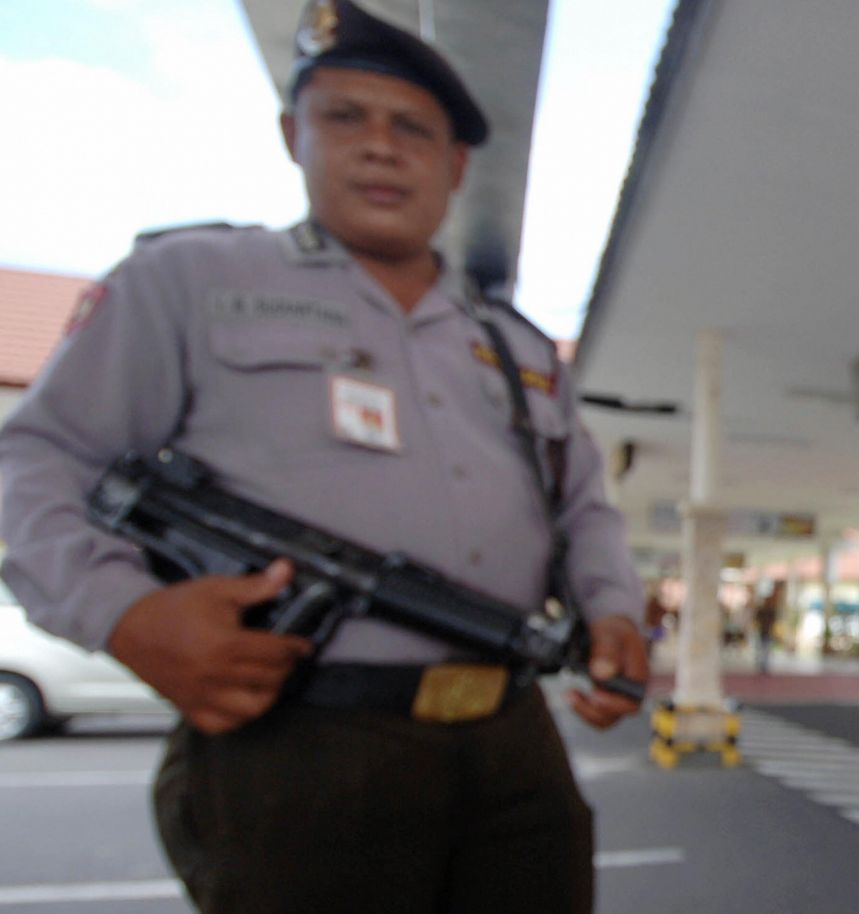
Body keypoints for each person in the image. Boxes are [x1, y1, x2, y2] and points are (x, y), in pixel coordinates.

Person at [0, 1, 648, 910]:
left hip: (512, 739)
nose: (381, 146)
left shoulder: (519, 347)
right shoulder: (191, 282)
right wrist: (124, 614)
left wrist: (613, 608)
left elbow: (583, 508)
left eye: (413, 128)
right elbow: (37, 457)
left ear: (456, 165)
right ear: (290, 134)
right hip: (301, 741)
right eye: (346, 117)